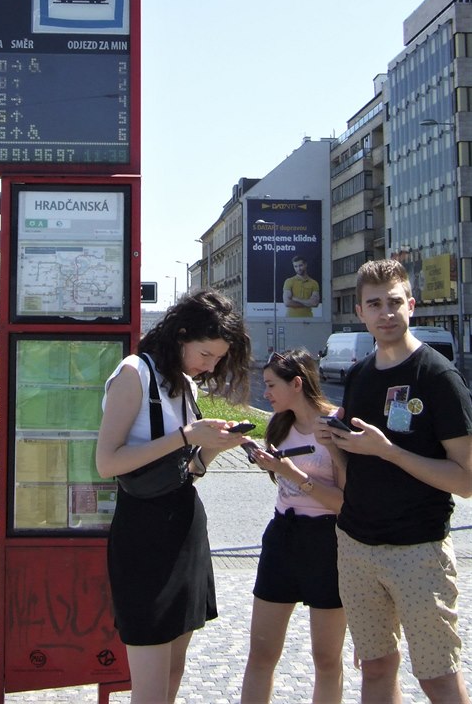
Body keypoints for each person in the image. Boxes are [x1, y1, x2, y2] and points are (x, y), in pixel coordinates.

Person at [320, 259, 472, 704]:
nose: (385, 313)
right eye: (374, 304)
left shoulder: (438, 376)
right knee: (376, 669)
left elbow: (466, 481)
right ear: (361, 313)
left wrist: (389, 450)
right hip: (356, 545)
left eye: (393, 302)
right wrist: (334, 444)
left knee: (437, 676)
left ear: (412, 305)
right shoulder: (359, 375)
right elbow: (354, 470)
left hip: (417, 550)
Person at [96, 289, 252, 704]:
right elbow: (107, 462)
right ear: (181, 335)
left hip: (184, 528)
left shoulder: (185, 385)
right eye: (206, 354)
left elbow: (188, 469)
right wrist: (184, 436)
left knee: (173, 671)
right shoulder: (134, 373)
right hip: (143, 535)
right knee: (148, 684)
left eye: (218, 359)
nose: (209, 366)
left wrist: (212, 448)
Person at [241, 348, 347, 704]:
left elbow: (346, 504)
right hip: (282, 536)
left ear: (297, 383)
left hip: (326, 542)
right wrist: (266, 462)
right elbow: (282, 479)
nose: (266, 391)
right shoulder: (280, 424)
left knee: (327, 659)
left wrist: (295, 475)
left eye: (271, 385)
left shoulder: (334, 424)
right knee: (261, 653)